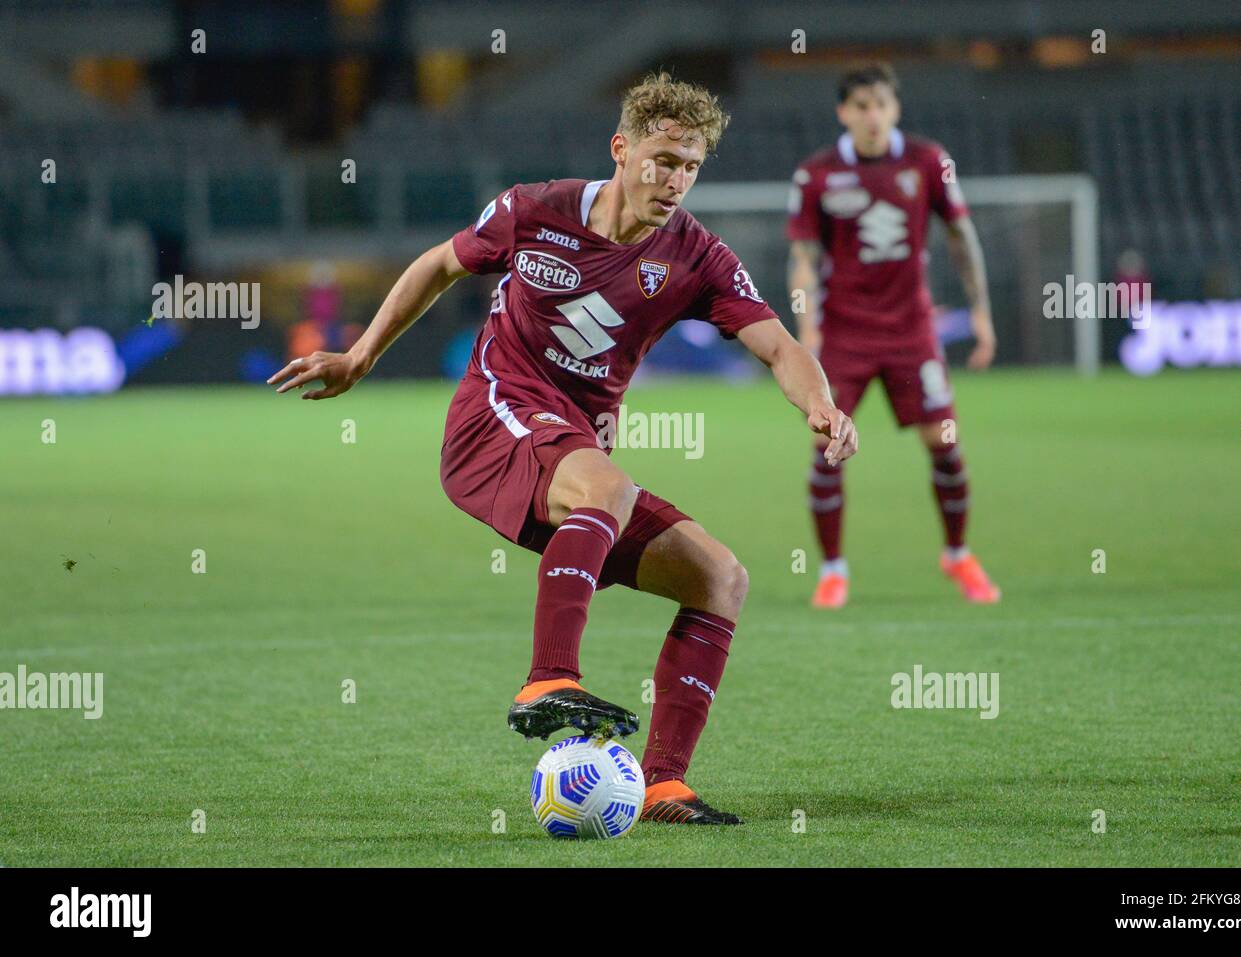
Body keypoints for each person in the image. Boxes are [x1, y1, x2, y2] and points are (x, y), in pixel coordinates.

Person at [269, 73, 858, 825]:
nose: (674, 179)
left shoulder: (697, 257)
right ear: (622, 149)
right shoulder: (534, 209)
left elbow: (777, 345)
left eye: (690, 166)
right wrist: (359, 357)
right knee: (606, 489)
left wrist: (821, 402)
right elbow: (438, 265)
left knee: (720, 577)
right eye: (662, 158)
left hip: (573, 457)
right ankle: (548, 680)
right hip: (492, 421)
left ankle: (662, 784)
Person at [787, 63, 1000, 609]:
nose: (872, 116)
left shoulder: (929, 161)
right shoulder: (816, 175)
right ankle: (833, 570)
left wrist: (980, 312)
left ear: (895, 109)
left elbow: (960, 234)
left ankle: (957, 554)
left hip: (912, 331)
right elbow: (804, 258)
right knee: (826, 447)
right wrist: (806, 319)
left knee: (945, 444)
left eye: (880, 104)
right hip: (845, 334)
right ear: (843, 113)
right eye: (860, 106)